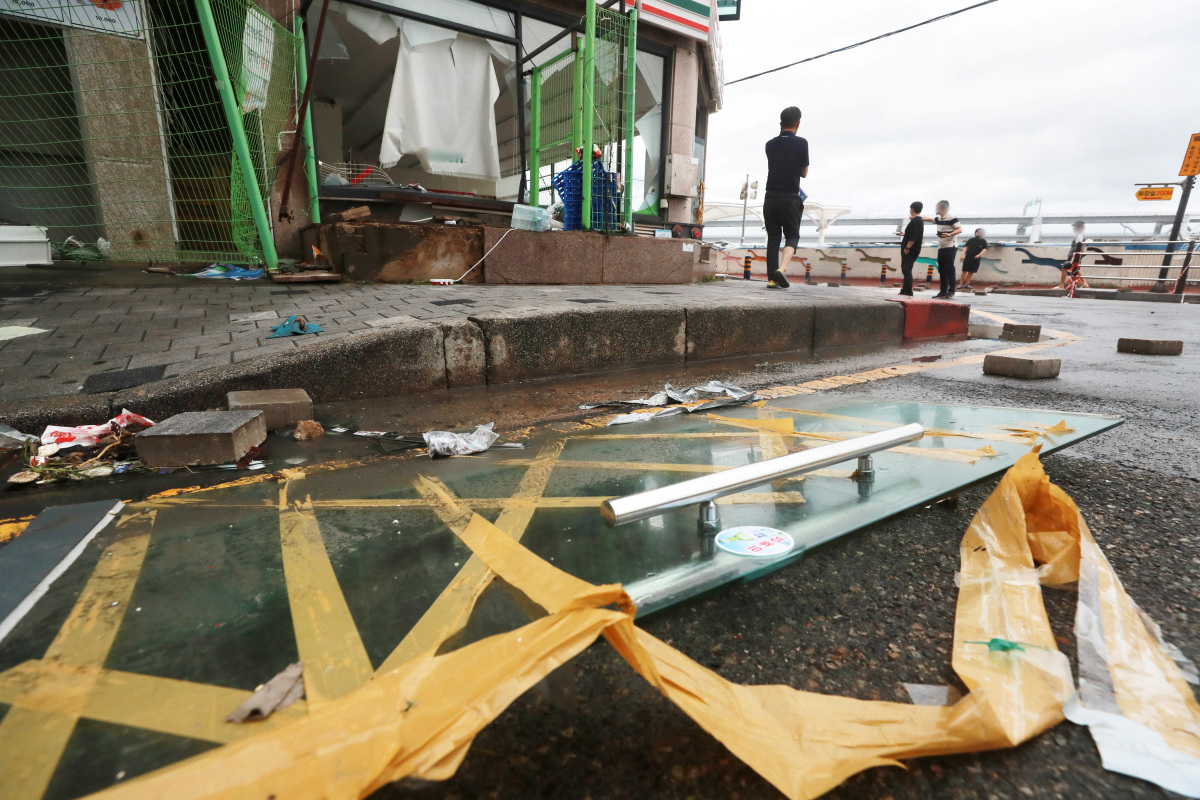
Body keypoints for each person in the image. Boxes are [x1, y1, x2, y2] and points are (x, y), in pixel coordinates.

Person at [762, 106, 809, 289]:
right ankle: (782, 268)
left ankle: (772, 280)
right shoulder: (802, 143)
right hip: (790, 197)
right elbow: (804, 173)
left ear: (780, 123)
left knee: (773, 237)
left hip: (770, 197)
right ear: (798, 123)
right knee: (792, 235)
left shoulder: (769, 145)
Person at [923, 201, 962, 298]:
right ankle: (943, 291)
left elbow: (959, 229)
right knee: (942, 269)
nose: (936, 209)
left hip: (950, 246)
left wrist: (948, 234)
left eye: (937, 208)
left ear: (943, 208)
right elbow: (928, 219)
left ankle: (951, 290)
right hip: (942, 247)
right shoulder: (939, 218)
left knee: (949, 268)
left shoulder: (952, 217)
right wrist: (916, 217)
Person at [897, 201, 924, 296]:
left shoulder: (915, 222)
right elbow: (913, 234)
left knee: (906, 269)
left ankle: (908, 290)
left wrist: (907, 248)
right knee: (907, 268)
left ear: (912, 209)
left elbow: (913, 238)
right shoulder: (919, 221)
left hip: (910, 249)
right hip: (915, 249)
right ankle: (905, 289)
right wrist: (904, 234)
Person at [1061, 220, 1089, 289]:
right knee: (1076, 269)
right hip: (1076, 254)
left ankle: (1061, 285)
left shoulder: (1079, 235)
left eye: (1075, 226)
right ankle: (1085, 283)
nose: (1074, 228)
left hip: (1074, 255)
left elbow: (1078, 246)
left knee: (1065, 267)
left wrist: (1074, 255)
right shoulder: (1080, 235)